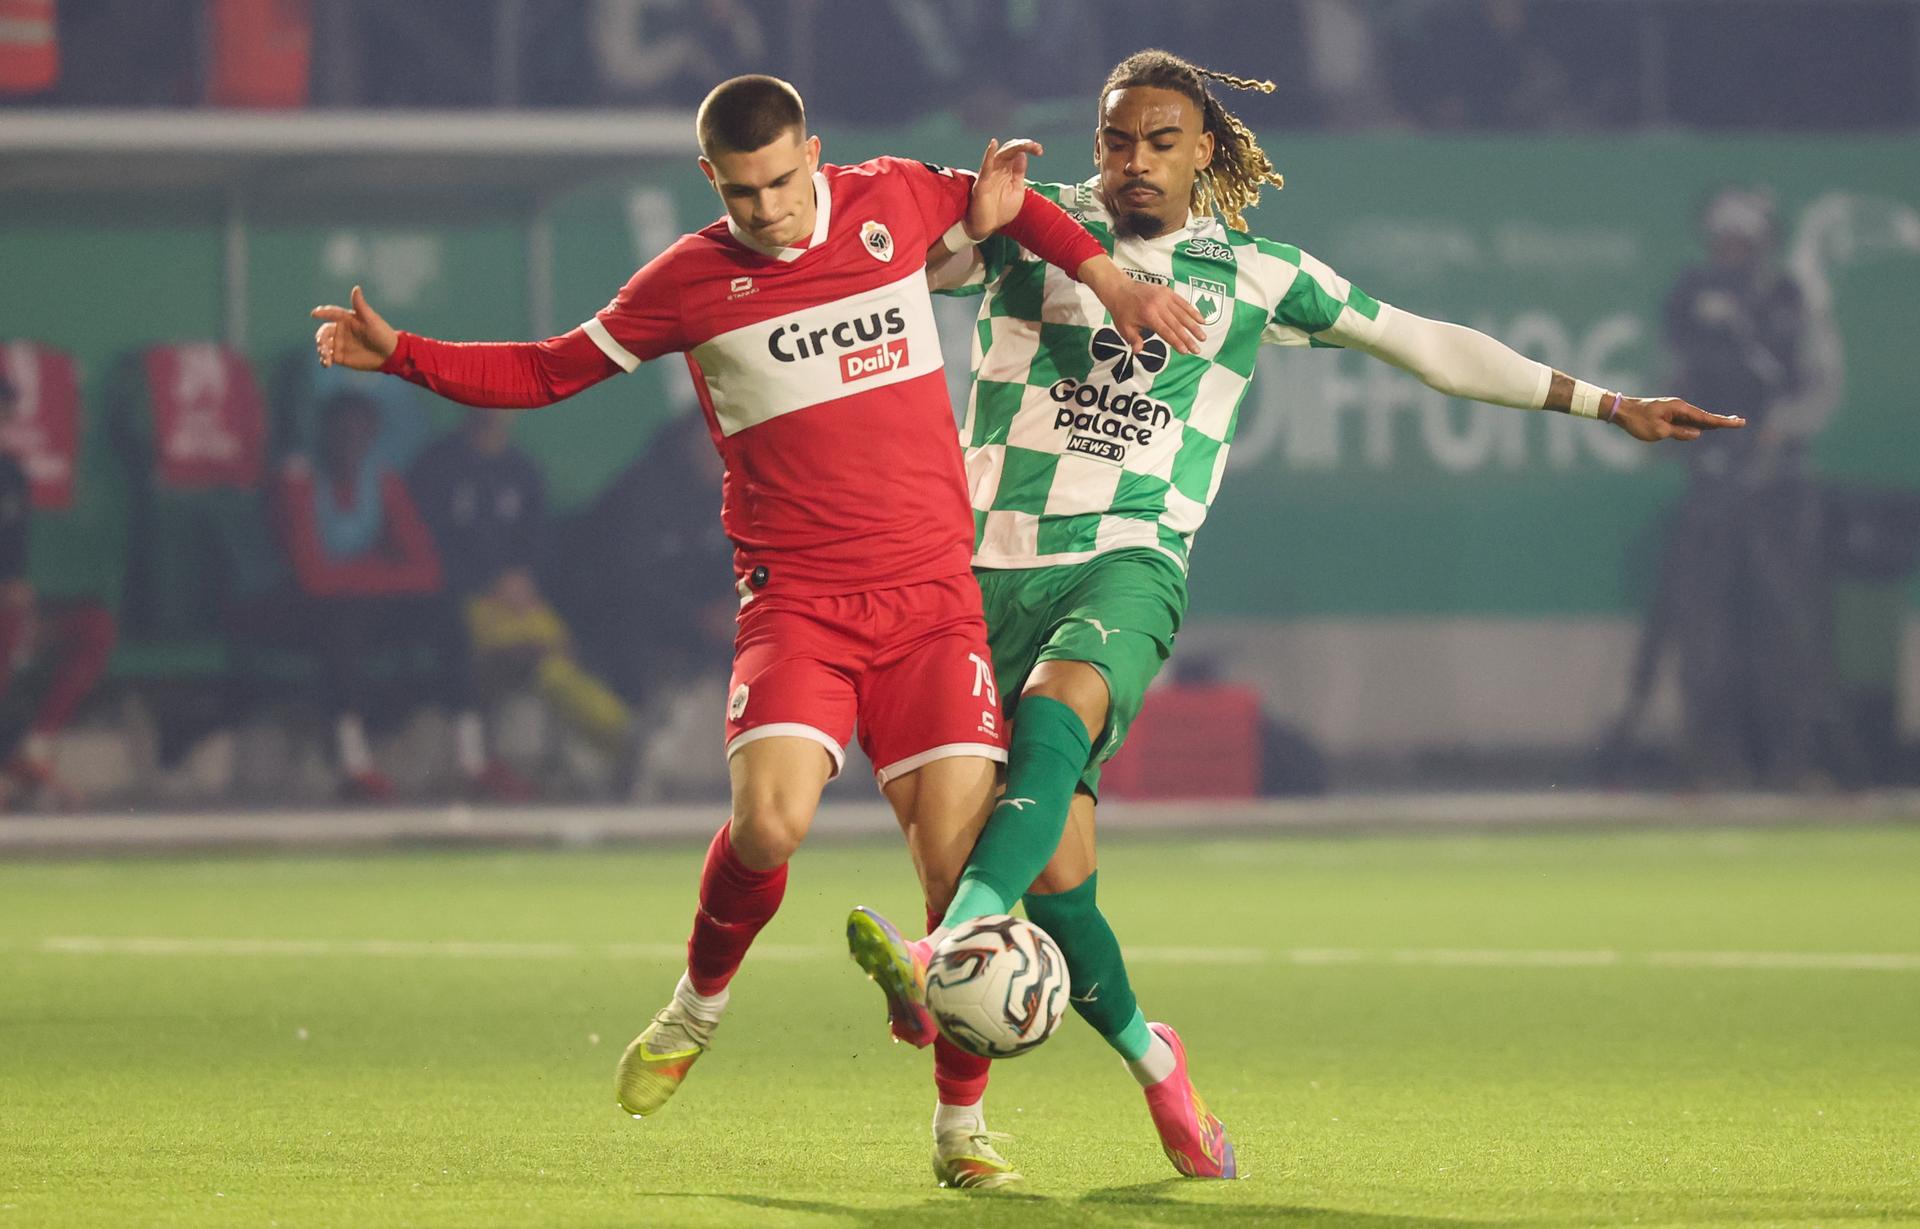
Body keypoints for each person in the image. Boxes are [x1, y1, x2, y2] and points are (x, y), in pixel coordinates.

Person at [846, 48, 1744, 1187]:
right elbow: (894, 276)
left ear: (1204, 149)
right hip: (979, 572)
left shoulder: (1256, 275)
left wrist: (1603, 400)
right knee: (1051, 876)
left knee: (1055, 725)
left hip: (1126, 560)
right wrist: (950, 228)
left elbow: (1420, 342)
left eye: (1160, 142)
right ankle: (1134, 1055)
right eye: (1117, 140)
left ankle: (944, 960)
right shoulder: (1034, 228)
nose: (1134, 162)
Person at [308, 74, 1206, 1141]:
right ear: (711, 182)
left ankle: (959, 1133)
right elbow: (549, 372)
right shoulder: (687, 281)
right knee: (769, 823)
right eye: (743, 193)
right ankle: (696, 1008)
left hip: (932, 605)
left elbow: (1011, 205)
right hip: (802, 611)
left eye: (783, 181)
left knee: (955, 876)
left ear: (814, 154)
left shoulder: (892, 200)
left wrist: (1106, 277)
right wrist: (401, 354)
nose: (769, 209)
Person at [1646, 186, 1840, 787]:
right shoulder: (1688, 303)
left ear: (1764, 244)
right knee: (1704, 630)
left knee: (1785, 627)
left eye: (1744, 241)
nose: (1732, 251)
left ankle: (1791, 759)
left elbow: (1822, 386)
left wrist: (1778, 429)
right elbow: (1659, 378)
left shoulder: (1792, 301)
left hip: (1776, 488)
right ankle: (1712, 761)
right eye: (1723, 240)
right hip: (1708, 484)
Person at [260, 391, 527, 802]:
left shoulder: (381, 480)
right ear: (324, 435)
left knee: (446, 615)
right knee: (341, 625)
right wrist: (377, 573)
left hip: (362, 601)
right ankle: (353, 765)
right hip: (298, 610)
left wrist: (361, 578)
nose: (351, 443)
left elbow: (425, 566)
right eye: (342, 433)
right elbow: (310, 575)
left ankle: (471, 760)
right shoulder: (296, 480)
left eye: (361, 434)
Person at [408, 409, 633, 777]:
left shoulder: (522, 471)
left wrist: (522, 579)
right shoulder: (437, 468)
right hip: (462, 603)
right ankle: (620, 737)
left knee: (559, 652)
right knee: (534, 657)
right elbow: (427, 546)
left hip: (520, 602)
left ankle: (617, 738)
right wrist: (487, 581)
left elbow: (538, 547)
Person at [0, 374, 117, 810]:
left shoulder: (11, 475)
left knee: (93, 626)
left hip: (11, 609)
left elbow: (15, 565)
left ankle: (32, 751)